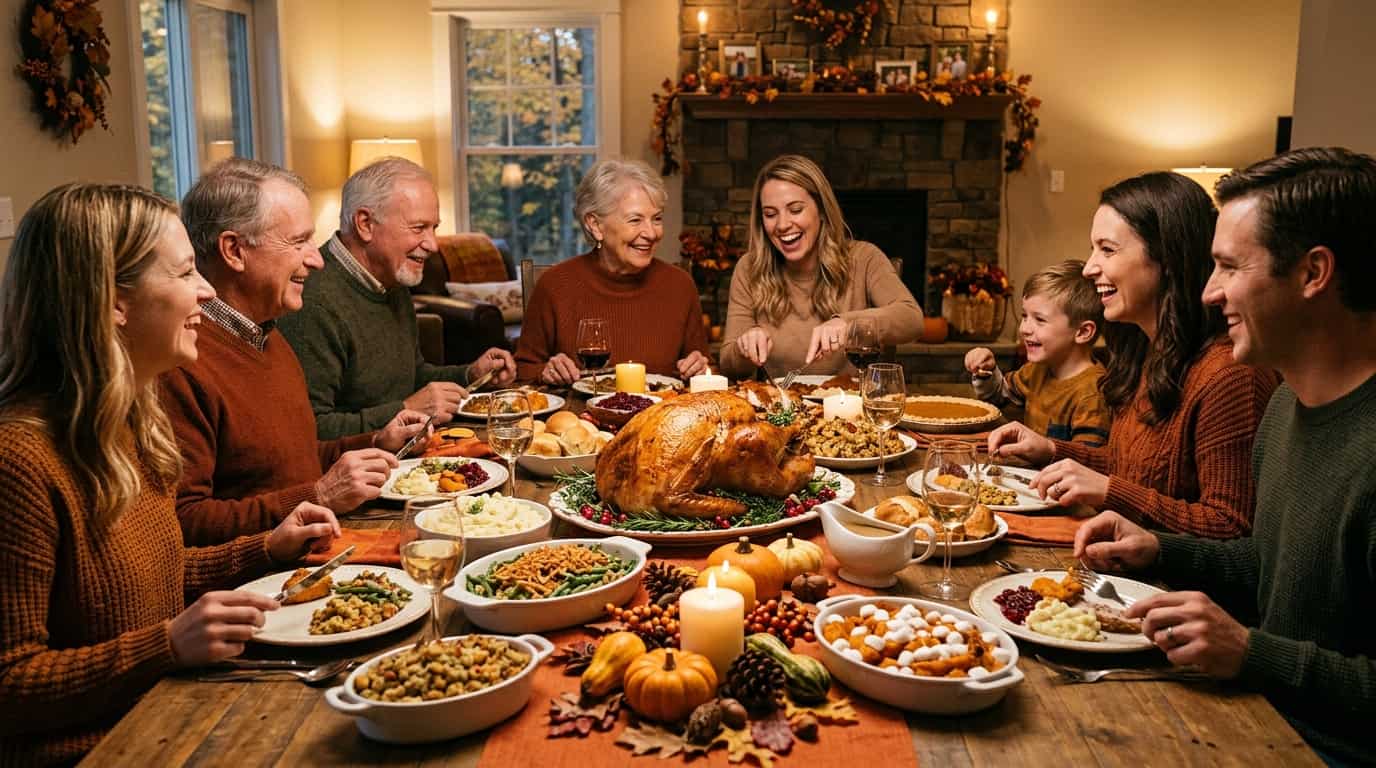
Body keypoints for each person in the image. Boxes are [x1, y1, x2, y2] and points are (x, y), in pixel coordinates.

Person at [0, 183, 339, 765]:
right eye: (185, 275)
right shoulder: (20, 462)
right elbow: (11, 682)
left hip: (172, 711)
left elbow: (150, 573)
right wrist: (165, 647)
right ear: (113, 301)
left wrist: (268, 548)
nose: (207, 292)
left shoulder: (131, 422)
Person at [1074, 147, 1376, 765]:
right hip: (1249, 713)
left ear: (1313, 273)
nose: (1209, 293)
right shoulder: (1288, 405)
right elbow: (1271, 567)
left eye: (1230, 267)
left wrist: (1250, 650)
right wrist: (1160, 548)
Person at [989, 171, 1279, 538]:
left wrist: (1111, 492)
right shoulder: (1146, 351)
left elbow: (1230, 527)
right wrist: (1050, 450)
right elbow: (1138, 470)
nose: (1089, 267)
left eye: (1107, 250)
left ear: (1168, 259)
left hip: (1168, 591)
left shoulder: (1231, 376)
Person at [163, 159, 428, 545]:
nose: (316, 259)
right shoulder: (181, 362)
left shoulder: (267, 334)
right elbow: (185, 523)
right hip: (261, 584)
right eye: (298, 242)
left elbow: (290, 461)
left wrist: (373, 442)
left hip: (319, 545)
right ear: (234, 251)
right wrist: (317, 496)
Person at [277, 157, 516, 439]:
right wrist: (404, 409)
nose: (433, 244)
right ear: (365, 224)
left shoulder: (391, 278)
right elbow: (310, 431)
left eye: (434, 228)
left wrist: (471, 374)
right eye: (418, 228)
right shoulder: (312, 301)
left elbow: (411, 377)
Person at [719, 154, 923, 378]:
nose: (782, 225)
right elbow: (729, 366)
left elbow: (911, 319)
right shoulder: (749, 267)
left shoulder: (864, 258)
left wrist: (847, 325)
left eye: (796, 210)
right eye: (770, 214)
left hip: (853, 407)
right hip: (782, 409)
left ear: (822, 211)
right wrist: (743, 347)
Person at [517, 159, 710, 384]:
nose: (651, 232)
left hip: (659, 416)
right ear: (595, 225)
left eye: (656, 219)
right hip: (581, 418)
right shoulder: (555, 285)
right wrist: (546, 371)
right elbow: (523, 368)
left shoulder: (680, 285)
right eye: (635, 220)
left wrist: (699, 366)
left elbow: (704, 366)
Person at [965, 259, 1110, 446]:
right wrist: (986, 371)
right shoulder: (1036, 369)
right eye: (1025, 316)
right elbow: (999, 397)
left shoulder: (1093, 394)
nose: (1024, 328)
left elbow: (1086, 462)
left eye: (1040, 320)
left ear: (1082, 332)